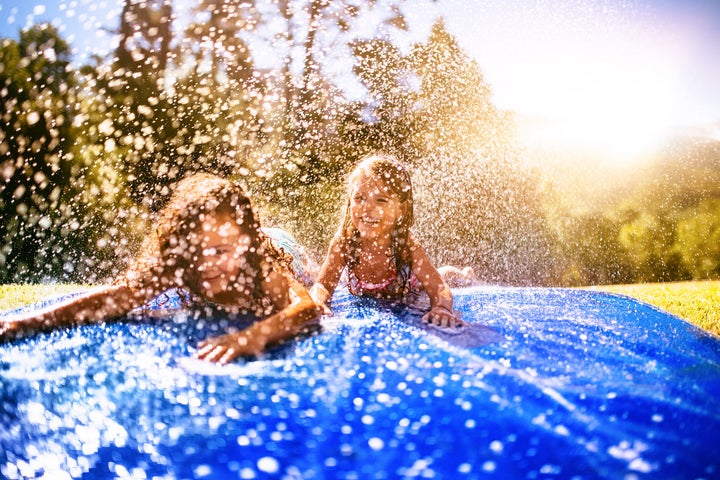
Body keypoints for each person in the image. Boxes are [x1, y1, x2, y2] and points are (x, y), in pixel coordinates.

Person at [0, 173, 321, 364]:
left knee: (310, 276)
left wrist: (251, 337)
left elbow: (307, 306)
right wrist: (26, 323)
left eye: (220, 251)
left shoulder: (261, 265)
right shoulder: (182, 266)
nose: (206, 264)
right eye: (196, 250)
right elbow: (118, 297)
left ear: (244, 246)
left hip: (281, 243)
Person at [310, 154, 476, 329]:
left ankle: (464, 275)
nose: (367, 208)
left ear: (401, 210)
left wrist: (442, 308)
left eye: (380, 200)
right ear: (349, 202)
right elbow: (323, 284)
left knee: (446, 274)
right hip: (374, 291)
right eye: (359, 198)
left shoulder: (405, 245)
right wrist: (317, 301)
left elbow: (438, 287)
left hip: (414, 286)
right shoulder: (344, 243)